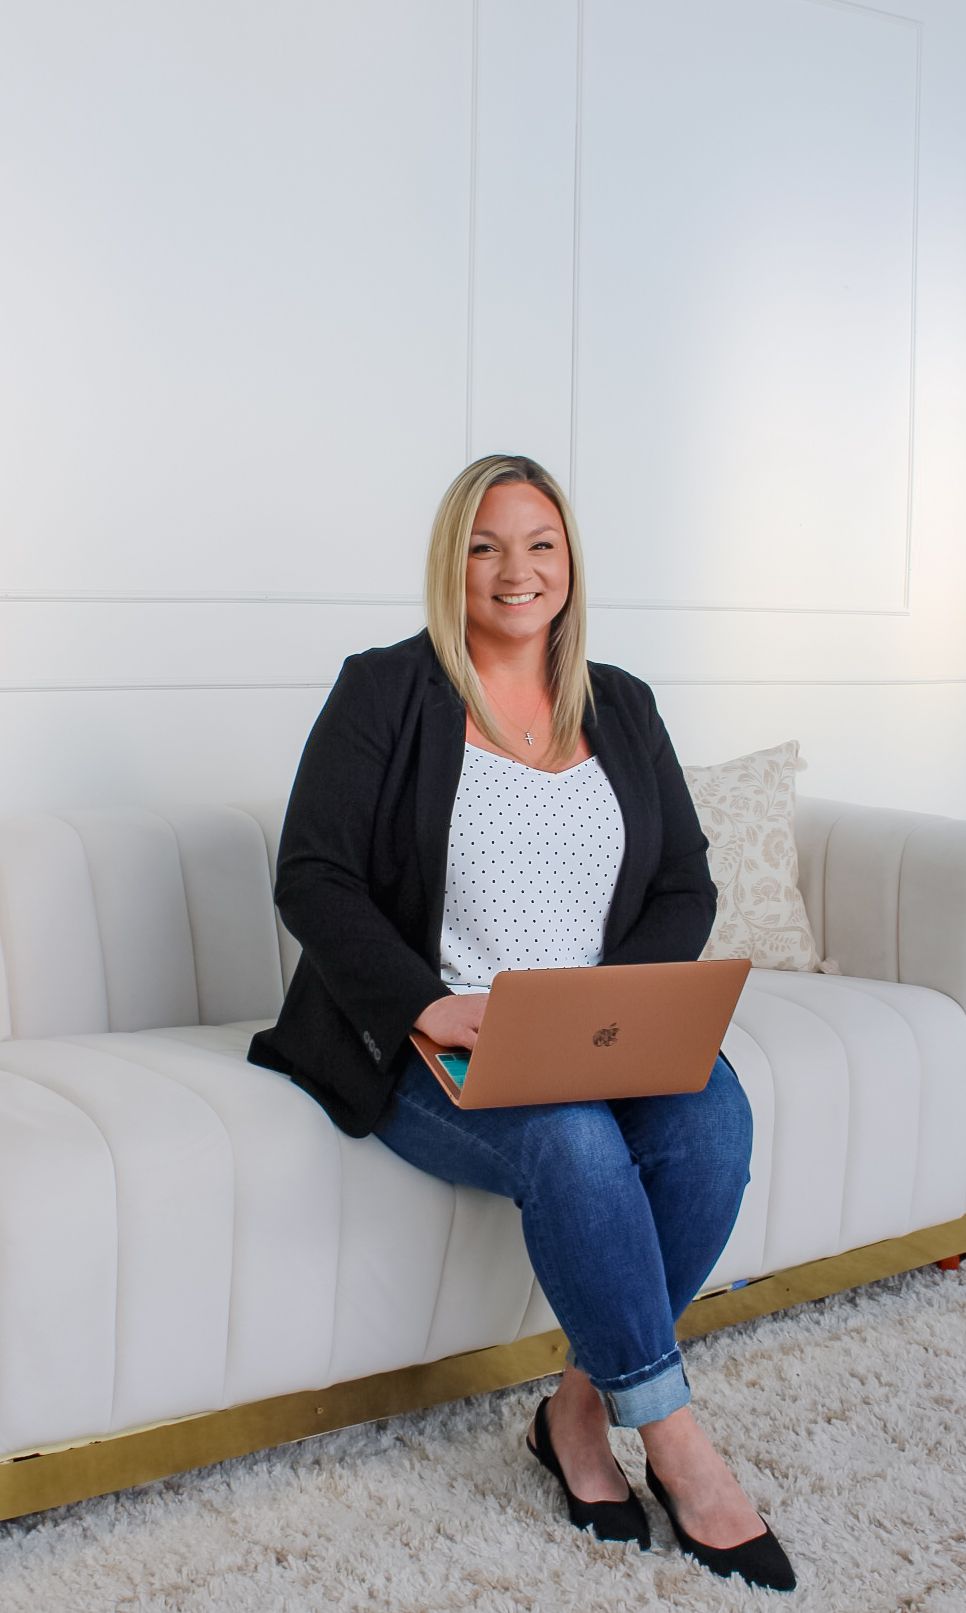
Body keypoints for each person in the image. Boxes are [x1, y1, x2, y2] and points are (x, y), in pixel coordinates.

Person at [248, 454, 795, 1592]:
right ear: (454, 562)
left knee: (716, 1121)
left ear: (570, 562)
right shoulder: (386, 691)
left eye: (540, 543)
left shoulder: (623, 703)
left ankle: (578, 1410)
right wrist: (425, 1001)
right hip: (424, 1042)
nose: (515, 570)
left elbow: (685, 884)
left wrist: (611, 1007)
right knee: (571, 1138)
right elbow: (312, 876)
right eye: (486, 545)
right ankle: (678, 1440)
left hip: (590, 1032)